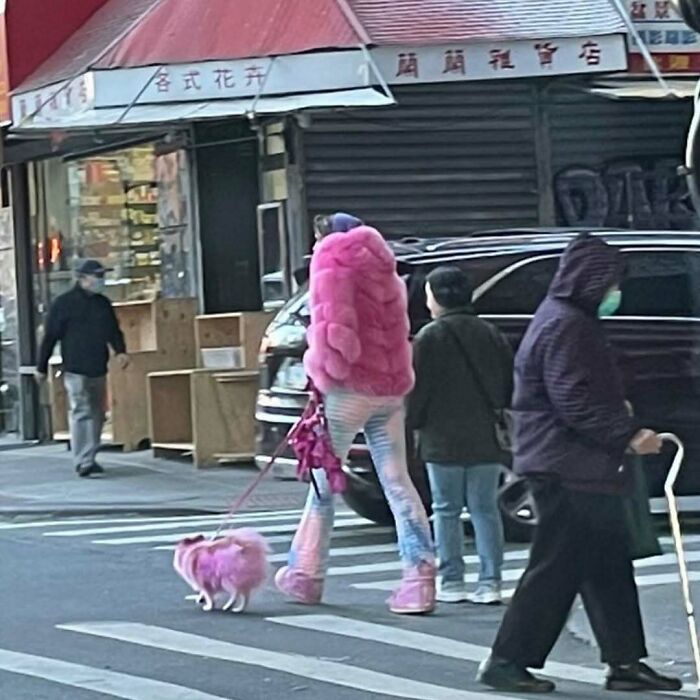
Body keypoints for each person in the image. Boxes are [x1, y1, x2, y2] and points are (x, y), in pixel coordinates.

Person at [477, 235, 681, 694]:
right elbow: (574, 398)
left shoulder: (568, 320)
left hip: (582, 464)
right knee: (555, 567)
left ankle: (625, 661)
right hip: (566, 465)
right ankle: (507, 659)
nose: (615, 292)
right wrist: (627, 435)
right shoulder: (567, 325)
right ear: (591, 281)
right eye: (610, 283)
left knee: (607, 565)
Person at [275, 212, 436, 614]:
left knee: (322, 483)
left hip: (348, 389)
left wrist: (322, 374)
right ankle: (419, 579)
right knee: (399, 483)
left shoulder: (332, 259)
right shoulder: (386, 269)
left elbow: (335, 333)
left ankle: (305, 574)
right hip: (390, 388)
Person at [408, 267, 513, 605]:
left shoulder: (429, 337)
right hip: (485, 434)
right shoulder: (490, 332)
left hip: (441, 436)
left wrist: (412, 425)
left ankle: (451, 580)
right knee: (485, 509)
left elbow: (418, 390)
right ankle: (491, 581)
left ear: (437, 297)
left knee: (445, 509)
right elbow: (508, 384)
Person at [35, 260, 129, 478]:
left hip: (98, 366)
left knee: (98, 413)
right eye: (97, 276)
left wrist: (120, 351)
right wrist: (41, 366)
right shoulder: (63, 304)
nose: (100, 281)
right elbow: (49, 337)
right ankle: (83, 460)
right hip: (75, 367)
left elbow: (113, 330)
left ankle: (90, 454)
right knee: (81, 410)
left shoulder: (103, 304)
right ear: (82, 278)